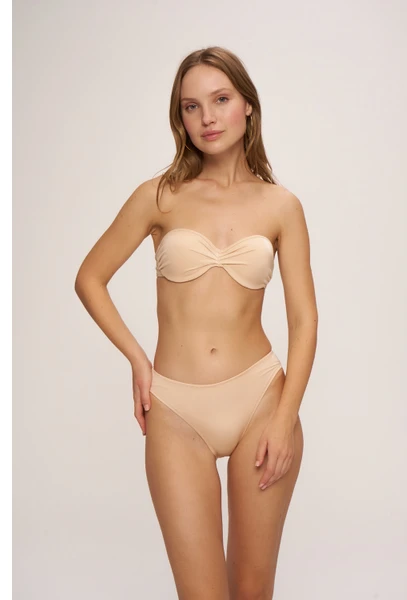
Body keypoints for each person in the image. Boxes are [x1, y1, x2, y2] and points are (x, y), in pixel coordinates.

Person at [75, 46, 318, 600]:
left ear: (247, 105)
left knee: (253, 592)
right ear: (179, 117)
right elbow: (90, 277)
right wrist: (138, 360)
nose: (207, 117)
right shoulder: (159, 196)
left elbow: (304, 320)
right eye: (191, 106)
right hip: (177, 411)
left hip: (261, 400)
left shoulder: (282, 206)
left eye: (221, 99)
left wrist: (285, 418)